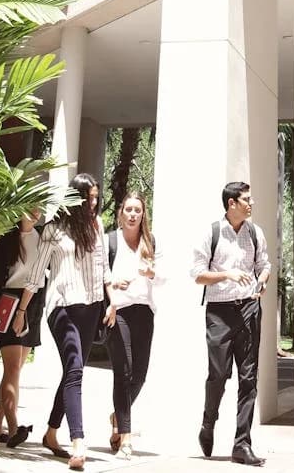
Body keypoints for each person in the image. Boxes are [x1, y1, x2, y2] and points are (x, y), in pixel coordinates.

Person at [18, 173, 113, 472]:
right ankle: (78, 442)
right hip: (61, 308)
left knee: (74, 371)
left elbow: (103, 270)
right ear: (76, 198)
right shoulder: (54, 230)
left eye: (97, 198)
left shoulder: (97, 228)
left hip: (91, 308)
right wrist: (21, 311)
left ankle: (50, 433)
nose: (94, 203)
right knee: (74, 370)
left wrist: (112, 304)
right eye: (90, 198)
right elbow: (36, 274)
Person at [191, 181, 271, 468]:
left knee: (248, 379)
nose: (251, 204)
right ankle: (208, 422)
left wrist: (261, 281)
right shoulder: (212, 232)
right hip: (219, 313)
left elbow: (264, 265)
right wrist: (227, 274)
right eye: (246, 200)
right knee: (219, 374)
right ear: (231, 204)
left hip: (250, 309)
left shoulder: (255, 232)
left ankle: (242, 444)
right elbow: (197, 274)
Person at [102, 192, 161, 461]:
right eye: (129, 209)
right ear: (121, 213)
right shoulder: (110, 241)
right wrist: (114, 284)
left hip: (144, 313)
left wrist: (152, 273)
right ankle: (125, 436)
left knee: (140, 375)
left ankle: (117, 414)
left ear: (143, 214)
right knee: (123, 372)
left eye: (137, 210)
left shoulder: (150, 241)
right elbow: (100, 273)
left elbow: (165, 278)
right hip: (119, 311)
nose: (133, 214)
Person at [0, 210, 43, 448]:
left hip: (33, 303)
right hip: (10, 302)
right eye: (32, 208)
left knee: (14, 371)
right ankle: (14, 427)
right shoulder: (7, 238)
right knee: (12, 367)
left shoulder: (43, 236)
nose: (37, 214)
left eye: (40, 209)